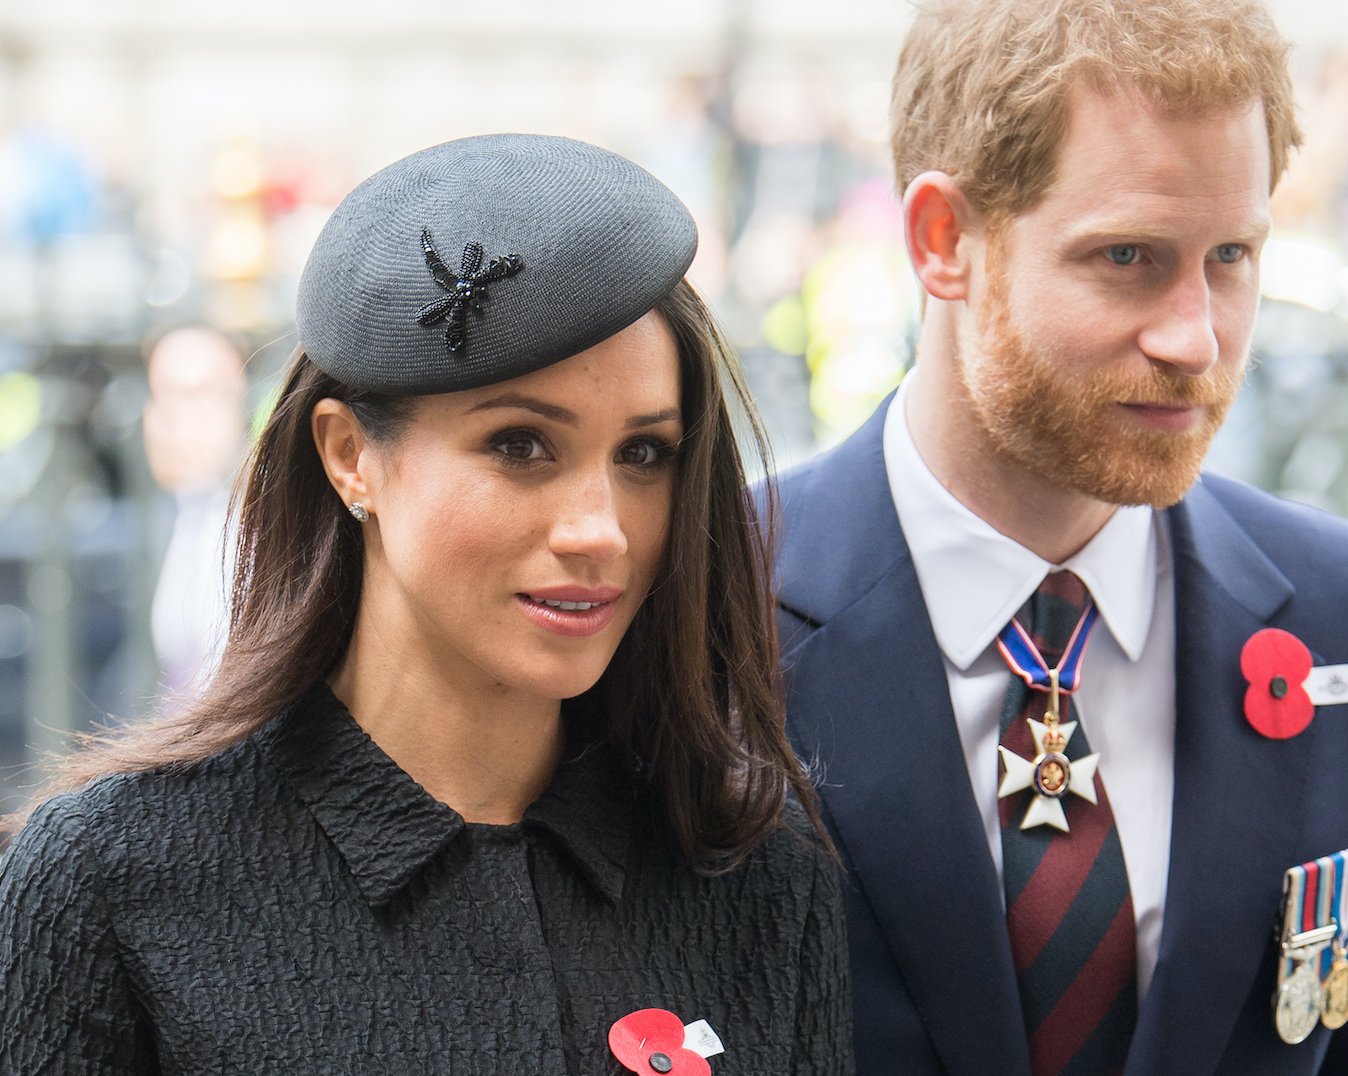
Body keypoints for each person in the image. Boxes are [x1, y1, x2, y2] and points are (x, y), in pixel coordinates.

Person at [0, 134, 851, 1073]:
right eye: (521, 445)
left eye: (643, 454)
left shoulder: (755, 875)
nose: (601, 529)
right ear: (348, 456)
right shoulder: (112, 881)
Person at [770, 2, 1348, 1074]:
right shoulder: (699, 604)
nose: (1195, 337)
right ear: (941, 240)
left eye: (1229, 254)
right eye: (1126, 256)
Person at [141, 325, 248, 702]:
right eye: (159, 396)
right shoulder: (178, 516)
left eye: (194, 395)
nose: (169, 420)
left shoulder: (258, 525)